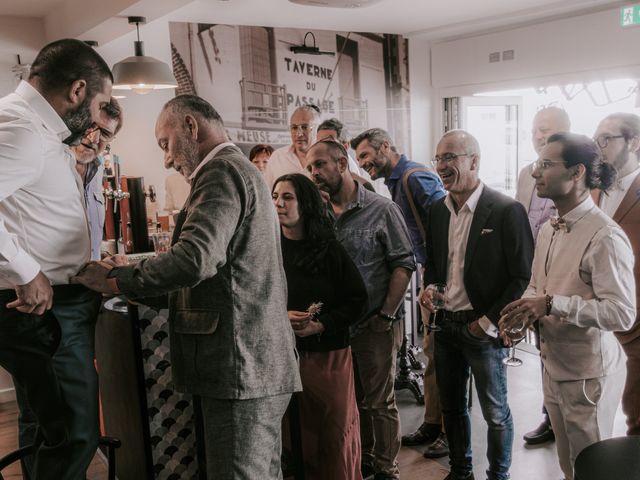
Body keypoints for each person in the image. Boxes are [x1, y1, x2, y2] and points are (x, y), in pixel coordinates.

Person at [72, 94, 301, 479]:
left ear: (192, 127)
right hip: (252, 365)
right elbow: (216, 274)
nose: (165, 159)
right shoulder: (239, 171)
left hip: (240, 366)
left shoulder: (220, 172)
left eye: (166, 143)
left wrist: (114, 279)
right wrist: (129, 278)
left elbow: (195, 259)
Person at [0, 38, 113, 480]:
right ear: (78, 90)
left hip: (56, 306)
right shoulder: (23, 128)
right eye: (100, 102)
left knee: (47, 428)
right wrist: (25, 271)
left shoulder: (33, 127)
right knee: (74, 432)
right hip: (46, 311)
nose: (96, 117)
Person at [500, 132, 635, 480]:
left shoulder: (604, 236)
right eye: (537, 164)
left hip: (588, 375)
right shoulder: (547, 228)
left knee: (594, 469)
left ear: (576, 173)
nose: (535, 173)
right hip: (552, 366)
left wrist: (551, 304)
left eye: (546, 164)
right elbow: (536, 285)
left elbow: (622, 312)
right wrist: (523, 312)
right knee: (568, 465)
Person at [420, 130, 533, 480]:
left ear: (474, 161)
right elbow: (436, 264)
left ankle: (498, 476)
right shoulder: (437, 210)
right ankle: (460, 471)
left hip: (481, 329)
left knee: (495, 412)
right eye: (438, 158)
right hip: (445, 327)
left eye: (450, 157)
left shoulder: (505, 210)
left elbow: (521, 276)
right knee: (452, 410)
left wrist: (486, 322)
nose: (441, 165)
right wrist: (428, 290)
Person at [306, 137, 415, 480]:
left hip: (374, 323)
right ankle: (362, 458)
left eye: (320, 165)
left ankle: (387, 468)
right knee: (348, 401)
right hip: (336, 326)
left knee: (379, 403)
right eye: (309, 168)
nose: (314, 173)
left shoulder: (381, 209)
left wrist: (386, 315)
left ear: (341, 164)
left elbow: (403, 263)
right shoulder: (318, 215)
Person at [351, 127, 448, 457]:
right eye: (358, 158)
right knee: (432, 357)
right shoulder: (397, 181)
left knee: (444, 357)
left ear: (386, 147)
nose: (363, 164)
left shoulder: (413, 178)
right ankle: (433, 423)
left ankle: (448, 432)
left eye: (365, 155)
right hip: (427, 275)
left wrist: (437, 277)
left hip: (439, 278)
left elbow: (447, 225)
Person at [273, 173, 367, 480]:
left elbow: (357, 300)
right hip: (283, 359)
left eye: (287, 197)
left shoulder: (329, 250)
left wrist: (322, 325)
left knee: (334, 436)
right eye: (275, 196)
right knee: (294, 440)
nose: (279, 203)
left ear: (306, 203)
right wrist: (281, 316)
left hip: (329, 358)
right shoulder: (268, 251)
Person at [515, 106, 570, 445]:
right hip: (533, 276)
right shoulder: (526, 173)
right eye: (534, 129)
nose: (537, 136)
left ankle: (569, 420)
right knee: (543, 350)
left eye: (545, 130)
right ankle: (550, 417)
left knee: (567, 352)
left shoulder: (578, 175)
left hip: (564, 279)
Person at [592, 113, 640, 435]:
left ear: (634, 142)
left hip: (637, 321)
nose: (600, 147)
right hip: (595, 319)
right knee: (596, 409)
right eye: (597, 140)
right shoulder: (593, 191)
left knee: (636, 413)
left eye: (607, 139)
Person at [72, 97, 123, 260]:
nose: (93, 138)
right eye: (90, 126)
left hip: (87, 281)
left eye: (105, 133)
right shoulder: (48, 163)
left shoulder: (98, 169)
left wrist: (102, 257)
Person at [264, 104, 320, 189]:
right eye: (294, 128)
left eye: (304, 127)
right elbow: (267, 195)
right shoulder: (277, 157)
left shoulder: (330, 157)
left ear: (317, 129)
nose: (299, 134)